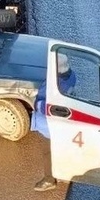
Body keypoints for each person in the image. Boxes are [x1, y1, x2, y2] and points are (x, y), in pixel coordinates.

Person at [31, 54, 76, 192]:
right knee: (61, 149)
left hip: (48, 125)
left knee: (48, 152)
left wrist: (36, 104)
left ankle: (49, 179)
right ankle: (67, 176)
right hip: (60, 124)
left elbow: (50, 107)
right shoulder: (71, 77)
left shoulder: (58, 84)